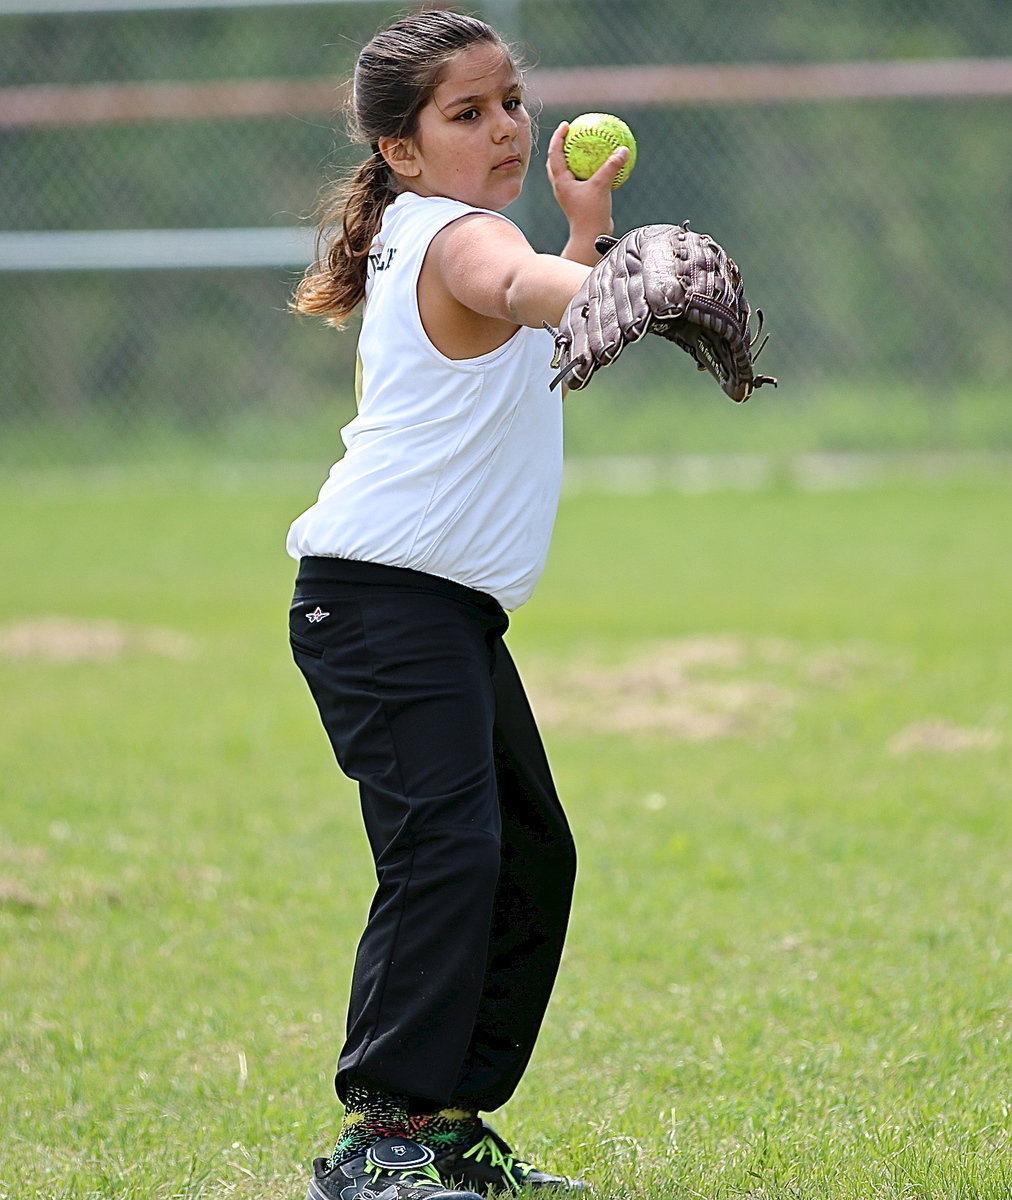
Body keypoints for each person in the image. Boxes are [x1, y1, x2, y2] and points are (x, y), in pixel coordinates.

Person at [286, 10, 629, 1200]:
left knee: (529, 854)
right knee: (445, 852)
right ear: (402, 149)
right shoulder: (457, 236)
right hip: (381, 603)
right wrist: (594, 266)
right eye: (465, 111)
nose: (503, 126)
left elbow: (546, 291)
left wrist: (587, 235)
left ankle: (439, 1128)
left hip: (430, 612)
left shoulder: (431, 229)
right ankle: (378, 1141)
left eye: (509, 101)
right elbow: (525, 287)